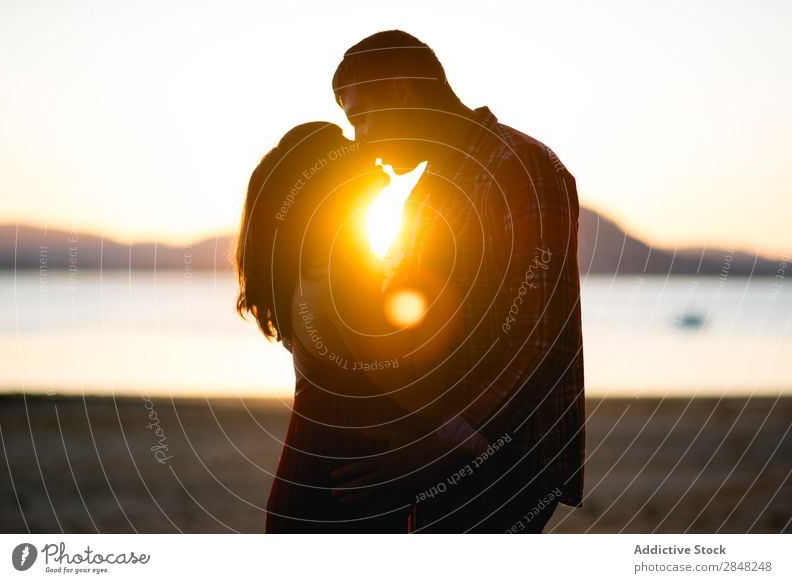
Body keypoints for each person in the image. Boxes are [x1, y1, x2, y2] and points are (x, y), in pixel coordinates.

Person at [328, 30, 586, 532]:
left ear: (401, 90)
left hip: (503, 457)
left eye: (362, 118)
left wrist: (447, 438)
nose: (362, 142)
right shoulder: (428, 192)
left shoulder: (519, 165)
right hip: (445, 449)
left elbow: (533, 330)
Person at [234, 122, 416, 532]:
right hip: (344, 492)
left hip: (325, 482)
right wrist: (467, 441)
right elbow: (404, 380)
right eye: (346, 148)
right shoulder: (341, 275)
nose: (364, 148)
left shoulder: (317, 270)